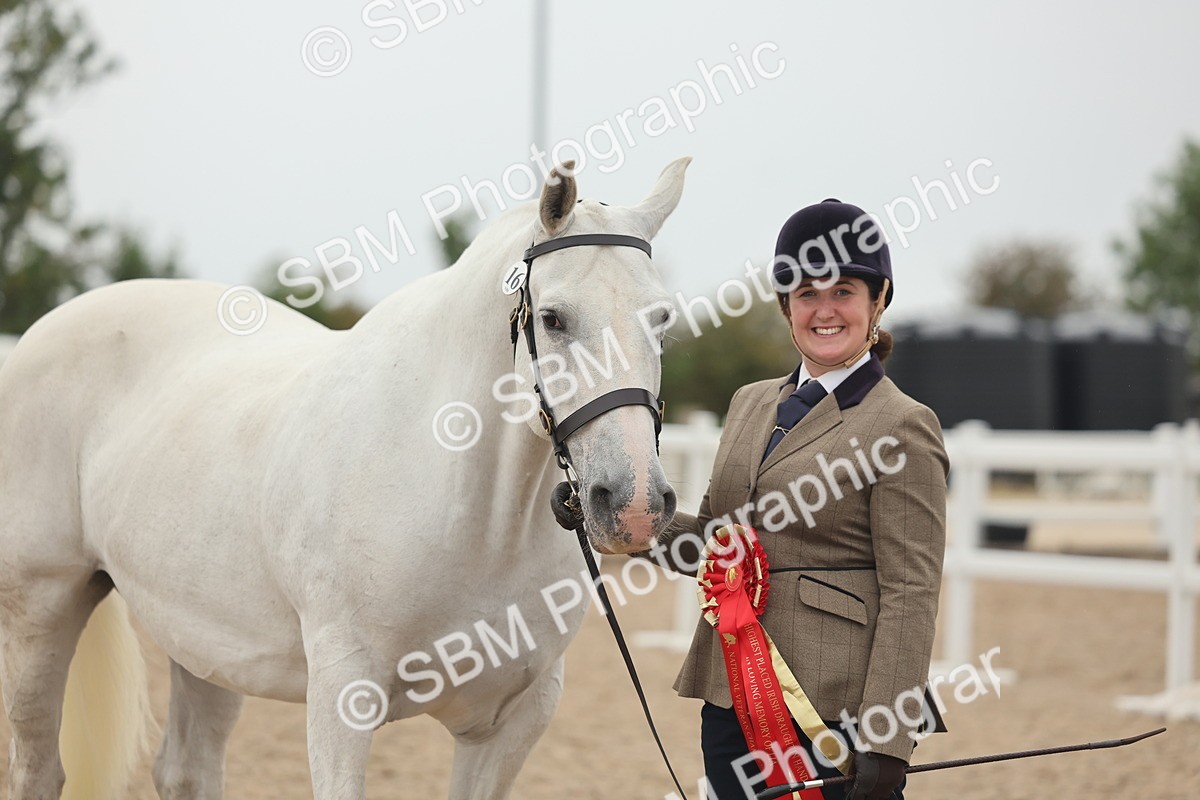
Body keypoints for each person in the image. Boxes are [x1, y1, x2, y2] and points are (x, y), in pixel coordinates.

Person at [552, 199, 949, 800]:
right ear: (785, 305)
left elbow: (910, 591)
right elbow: (717, 542)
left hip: (833, 706)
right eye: (806, 293)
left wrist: (888, 737)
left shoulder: (902, 425)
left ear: (878, 301)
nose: (824, 311)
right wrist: (614, 514)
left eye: (844, 291)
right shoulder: (750, 403)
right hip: (728, 688)